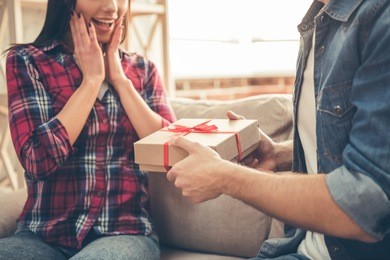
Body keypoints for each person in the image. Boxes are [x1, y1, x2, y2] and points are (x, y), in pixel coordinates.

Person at [166, 0, 390, 259]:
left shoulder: (380, 20)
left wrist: (224, 176)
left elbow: (365, 205)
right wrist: (280, 153)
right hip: (301, 248)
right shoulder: (317, 21)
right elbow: (347, 146)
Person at [0, 0, 175, 259]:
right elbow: (37, 160)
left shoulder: (143, 70)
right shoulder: (27, 61)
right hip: (42, 235)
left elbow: (172, 153)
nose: (112, 7)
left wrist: (120, 80)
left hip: (124, 233)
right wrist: (91, 82)